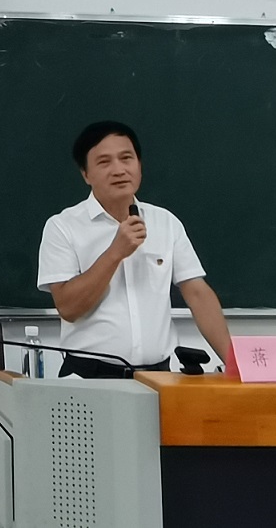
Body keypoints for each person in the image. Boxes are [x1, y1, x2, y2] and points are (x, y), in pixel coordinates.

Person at [36, 120, 231, 378]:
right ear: (86, 174)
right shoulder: (63, 227)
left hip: (159, 377)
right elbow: (68, 308)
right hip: (89, 377)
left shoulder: (165, 222)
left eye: (126, 158)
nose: (119, 170)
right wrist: (115, 252)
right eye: (104, 162)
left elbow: (197, 294)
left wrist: (234, 363)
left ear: (139, 165)